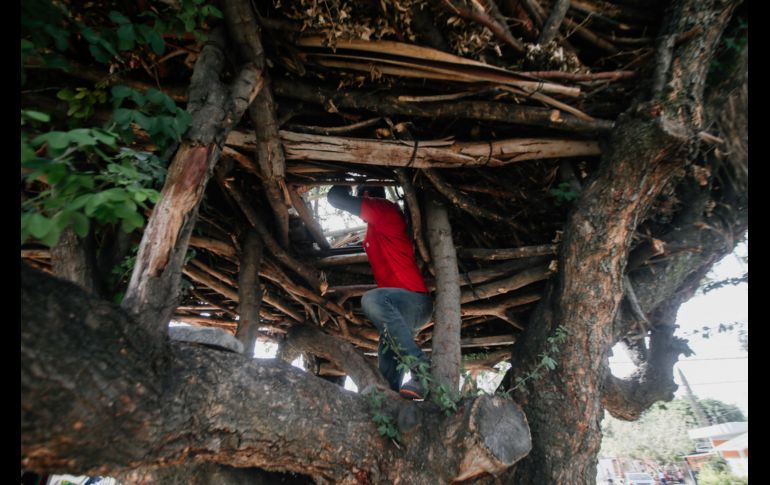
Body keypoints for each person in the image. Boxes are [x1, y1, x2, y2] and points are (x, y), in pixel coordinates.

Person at [327, 184, 433, 399]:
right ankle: (393, 411)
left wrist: (344, 181)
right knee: (386, 383)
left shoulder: (384, 210)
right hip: (399, 311)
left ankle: (423, 371)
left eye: (361, 200)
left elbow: (335, 197)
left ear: (367, 197)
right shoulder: (377, 227)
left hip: (413, 302)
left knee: (372, 299)